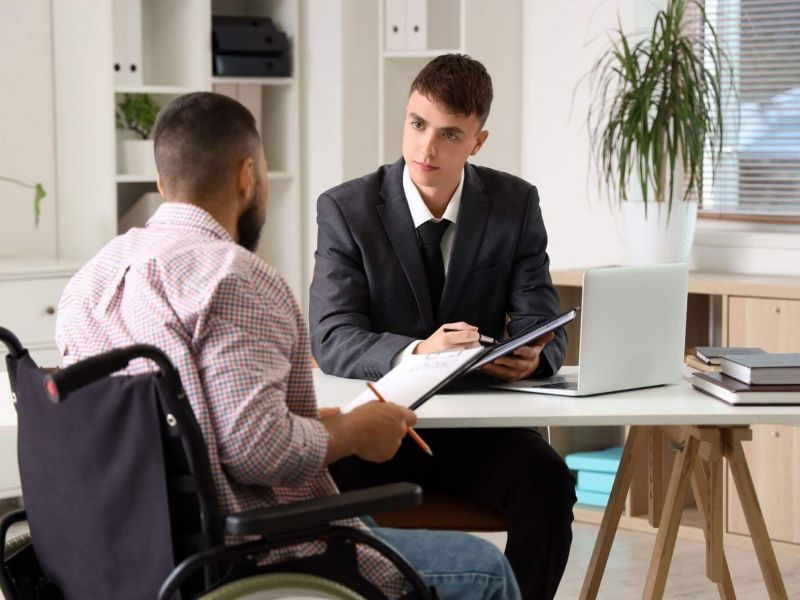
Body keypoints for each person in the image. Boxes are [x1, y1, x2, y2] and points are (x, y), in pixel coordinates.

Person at [55, 92, 520, 600]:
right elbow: (260, 453)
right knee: (484, 568)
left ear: (163, 182)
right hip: (242, 553)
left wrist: (333, 422)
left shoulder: (92, 279)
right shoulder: (234, 279)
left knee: (358, 513)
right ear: (248, 176)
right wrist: (358, 434)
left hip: (129, 553)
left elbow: (197, 428)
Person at [310, 54, 577, 600]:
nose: (427, 148)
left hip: (477, 433)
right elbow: (332, 335)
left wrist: (534, 356)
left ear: (477, 141)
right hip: (376, 431)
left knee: (548, 483)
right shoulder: (346, 209)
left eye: (450, 133)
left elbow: (545, 323)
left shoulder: (515, 204)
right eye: (417, 124)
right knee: (321, 492)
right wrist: (415, 350)